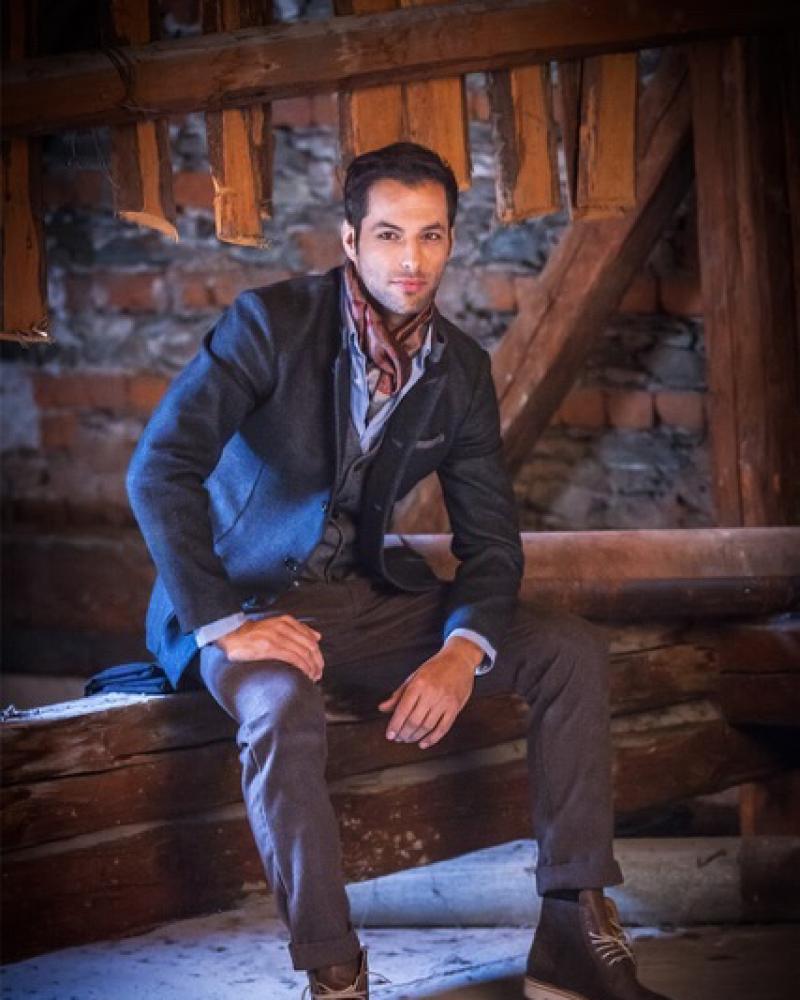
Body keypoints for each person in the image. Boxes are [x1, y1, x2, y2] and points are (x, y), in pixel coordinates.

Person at [127, 142, 671, 1000]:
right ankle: (335, 972)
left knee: (569, 650)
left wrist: (462, 650)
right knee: (279, 706)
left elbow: (493, 543)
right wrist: (225, 624)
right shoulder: (269, 325)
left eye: (430, 235)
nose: (410, 259)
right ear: (350, 240)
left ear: (451, 240)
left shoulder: (460, 370)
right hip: (244, 601)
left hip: (364, 598)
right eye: (388, 235)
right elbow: (159, 469)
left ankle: (572, 928)